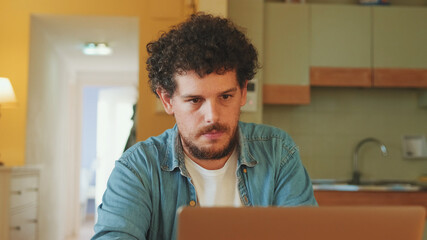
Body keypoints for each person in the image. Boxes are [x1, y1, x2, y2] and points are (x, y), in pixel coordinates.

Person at [92, 13, 317, 240]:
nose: (212, 116)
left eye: (226, 96)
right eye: (195, 100)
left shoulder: (278, 153)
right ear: (168, 100)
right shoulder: (137, 170)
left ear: (242, 92)